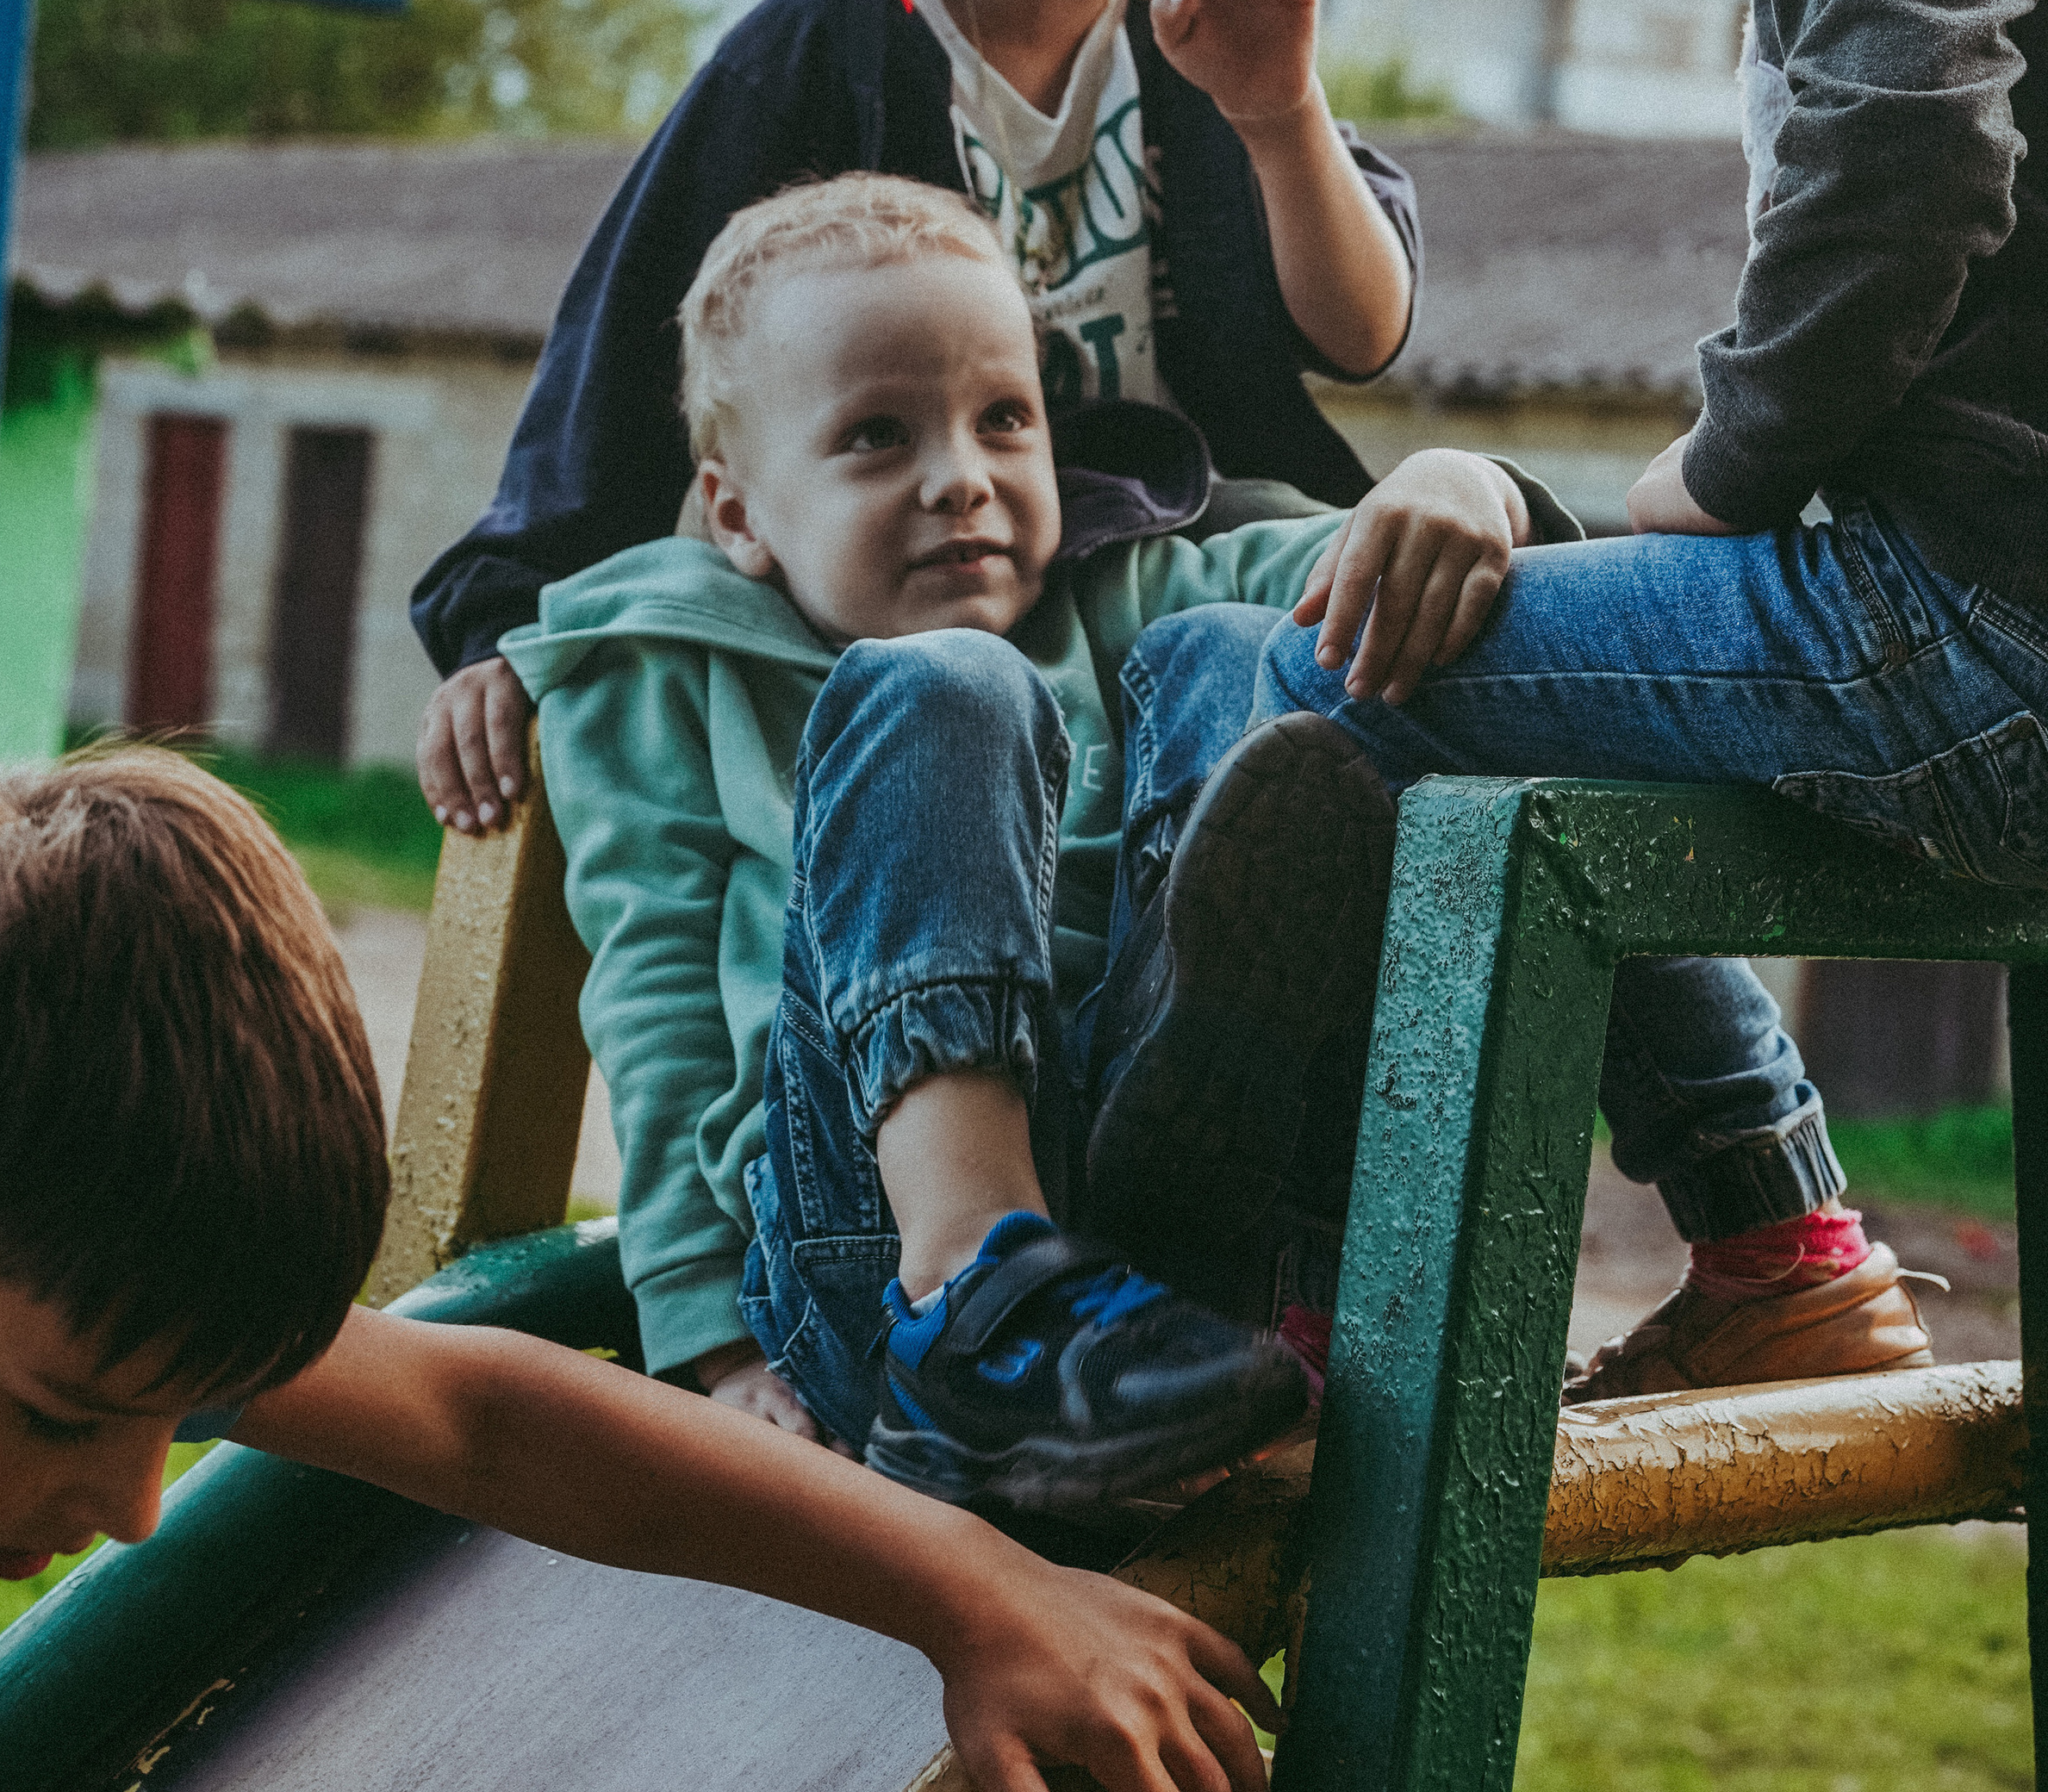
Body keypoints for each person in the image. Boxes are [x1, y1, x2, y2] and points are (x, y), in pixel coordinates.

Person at [1239, 0, 2048, 1397]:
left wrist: (1720, 464)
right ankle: (1776, 1237)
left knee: (1296, 679)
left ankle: (1264, 1334)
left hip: (1969, 629)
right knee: (1500, 700)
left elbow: (1907, 155)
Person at [0, 743, 1286, 1792]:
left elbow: (482, 1422)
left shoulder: (1, 1232)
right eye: (61, 1413)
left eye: (182, 1412)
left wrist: (977, 1592)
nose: (139, 1507)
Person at [504, 174, 1568, 1504]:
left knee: (1245, 654)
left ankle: (1195, 1243)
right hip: (867, 1272)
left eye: (1004, 419)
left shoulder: (1124, 588)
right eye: (878, 437)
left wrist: (1464, 479)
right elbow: (654, 987)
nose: (963, 480)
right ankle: (977, 1281)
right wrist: (708, 1344)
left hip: (1159, 1258)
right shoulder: (664, 667)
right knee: (940, 684)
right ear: (737, 514)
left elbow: (1363, 557)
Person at [414, 0, 1421, 837]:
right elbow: (621, 384)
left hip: (1165, 613)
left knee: (1413, 600)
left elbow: (1360, 334)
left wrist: (1280, 109)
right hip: (919, 655)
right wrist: (499, 634)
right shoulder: (822, 51)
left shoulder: (1213, 49)